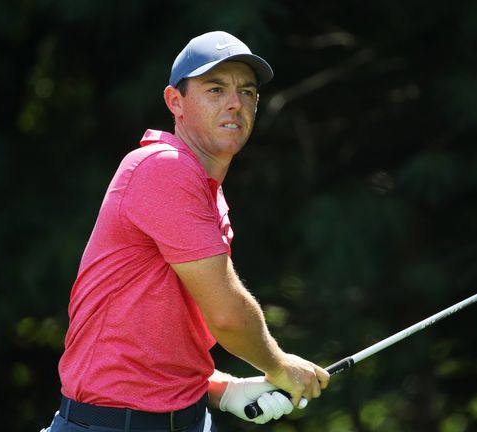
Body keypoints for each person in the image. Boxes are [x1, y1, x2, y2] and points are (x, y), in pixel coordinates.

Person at [41, 31, 330, 432]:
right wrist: (279, 366)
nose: (235, 102)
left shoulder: (208, 192)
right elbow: (227, 316)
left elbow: (156, 336)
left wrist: (222, 390)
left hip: (191, 419)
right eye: (216, 89)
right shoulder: (163, 167)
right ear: (175, 102)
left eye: (247, 92)